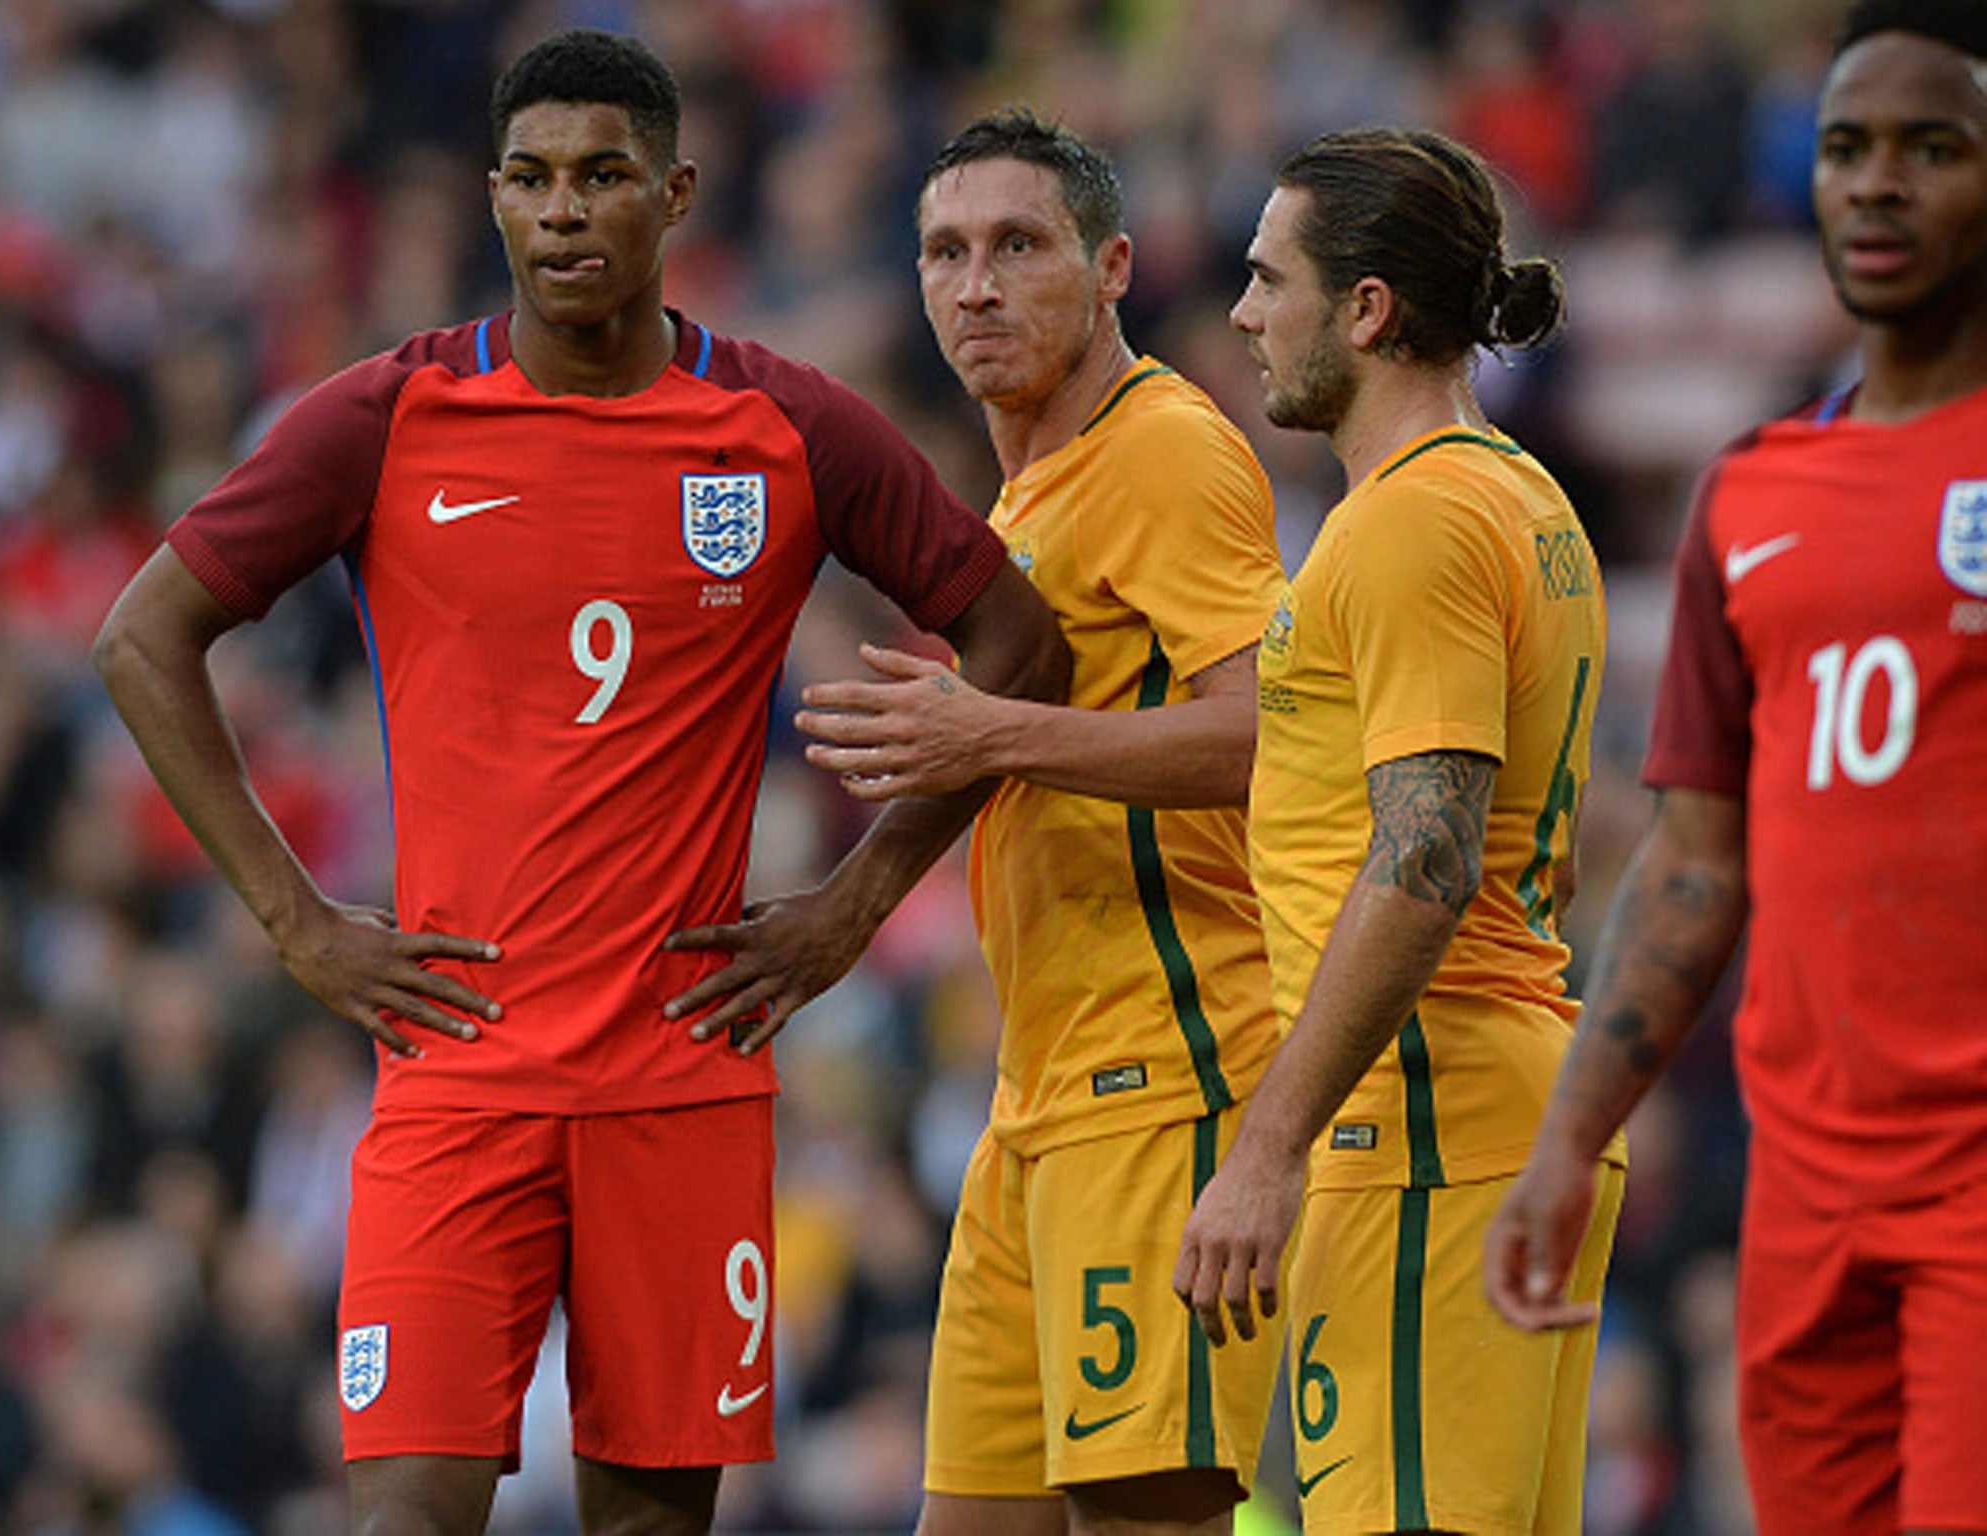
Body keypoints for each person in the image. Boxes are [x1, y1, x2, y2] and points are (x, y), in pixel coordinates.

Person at [91, 30, 1067, 1536]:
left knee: (651, 1526)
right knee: (404, 1514)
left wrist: (855, 905)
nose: (563, 212)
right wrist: (295, 920)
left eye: (603, 176)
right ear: (491, 198)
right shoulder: (391, 414)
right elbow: (146, 635)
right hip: (456, 1072)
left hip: (678, 1077)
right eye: (532, 179)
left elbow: (1022, 640)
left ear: (674, 193)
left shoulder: (787, 427)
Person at [1485, 4, 1987, 1532]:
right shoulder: (1751, 495)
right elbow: (1699, 861)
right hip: (1807, 1188)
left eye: (1932, 149)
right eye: (1846, 149)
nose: (1878, 184)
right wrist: (1571, 1137)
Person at [775, 108, 1291, 1534]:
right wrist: (848, 907)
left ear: (1113, 263)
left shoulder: (1166, 453)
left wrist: (990, 729)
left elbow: (1273, 737)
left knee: (1149, 1514)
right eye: (945, 251)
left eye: (1018, 245)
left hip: (1167, 1073)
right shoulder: (1027, 493)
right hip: (1035, 1099)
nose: (976, 285)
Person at [1171, 128, 1620, 1536]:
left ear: (1367, 310)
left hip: (1424, 1132)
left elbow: (1423, 861)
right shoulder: (1521, 494)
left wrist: (1268, 1146)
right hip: (1502, 1112)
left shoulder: (1408, 526)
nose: (1243, 313)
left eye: (1268, 278)